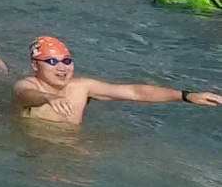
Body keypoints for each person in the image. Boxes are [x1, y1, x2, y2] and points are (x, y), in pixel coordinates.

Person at [14, 36, 222, 125]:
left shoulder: (83, 86)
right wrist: (47, 97)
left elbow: (134, 92)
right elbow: (26, 95)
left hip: (71, 146)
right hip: (36, 149)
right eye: (51, 61)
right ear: (35, 65)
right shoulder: (29, 85)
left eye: (67, 60)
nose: (62, 67)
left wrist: (186, 96)